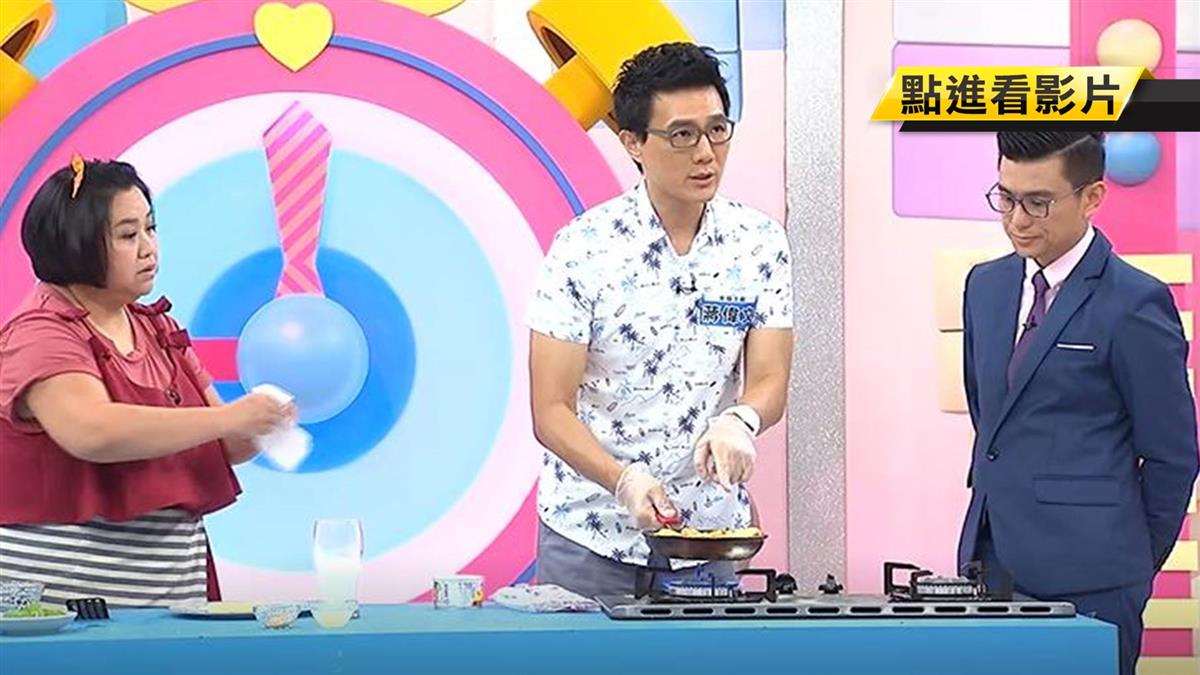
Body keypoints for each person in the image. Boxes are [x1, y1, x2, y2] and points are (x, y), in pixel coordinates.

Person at [528, 43, 794, 598]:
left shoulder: (759, 244)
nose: (706, 154)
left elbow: (770, 379)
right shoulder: (583, 248)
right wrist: (622, 480)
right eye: (682, 135)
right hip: (590, 536)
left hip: (708, 538)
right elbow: (550, 410)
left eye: (717, 130)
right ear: (633, 142)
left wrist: (740, 421)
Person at [0, 158, 293, 608]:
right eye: (127, 235)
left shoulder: (160, 328)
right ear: (75, 243)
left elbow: (224, 445)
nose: (148, 248)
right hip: (64, 611)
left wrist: (264, 419)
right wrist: (229, 418)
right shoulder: (40, 331)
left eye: (150, 229)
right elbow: (92, 431)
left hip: (174, 600)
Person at [958, 131, 1198, 675]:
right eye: (1006, 197)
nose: (1017, 220)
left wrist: (1130, 563)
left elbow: (1173, 455)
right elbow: (991, 418)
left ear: (1092, 197)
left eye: (1038, 203)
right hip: (988, 566)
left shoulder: (1134, 301)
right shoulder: (985, 287)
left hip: (1095, 578)